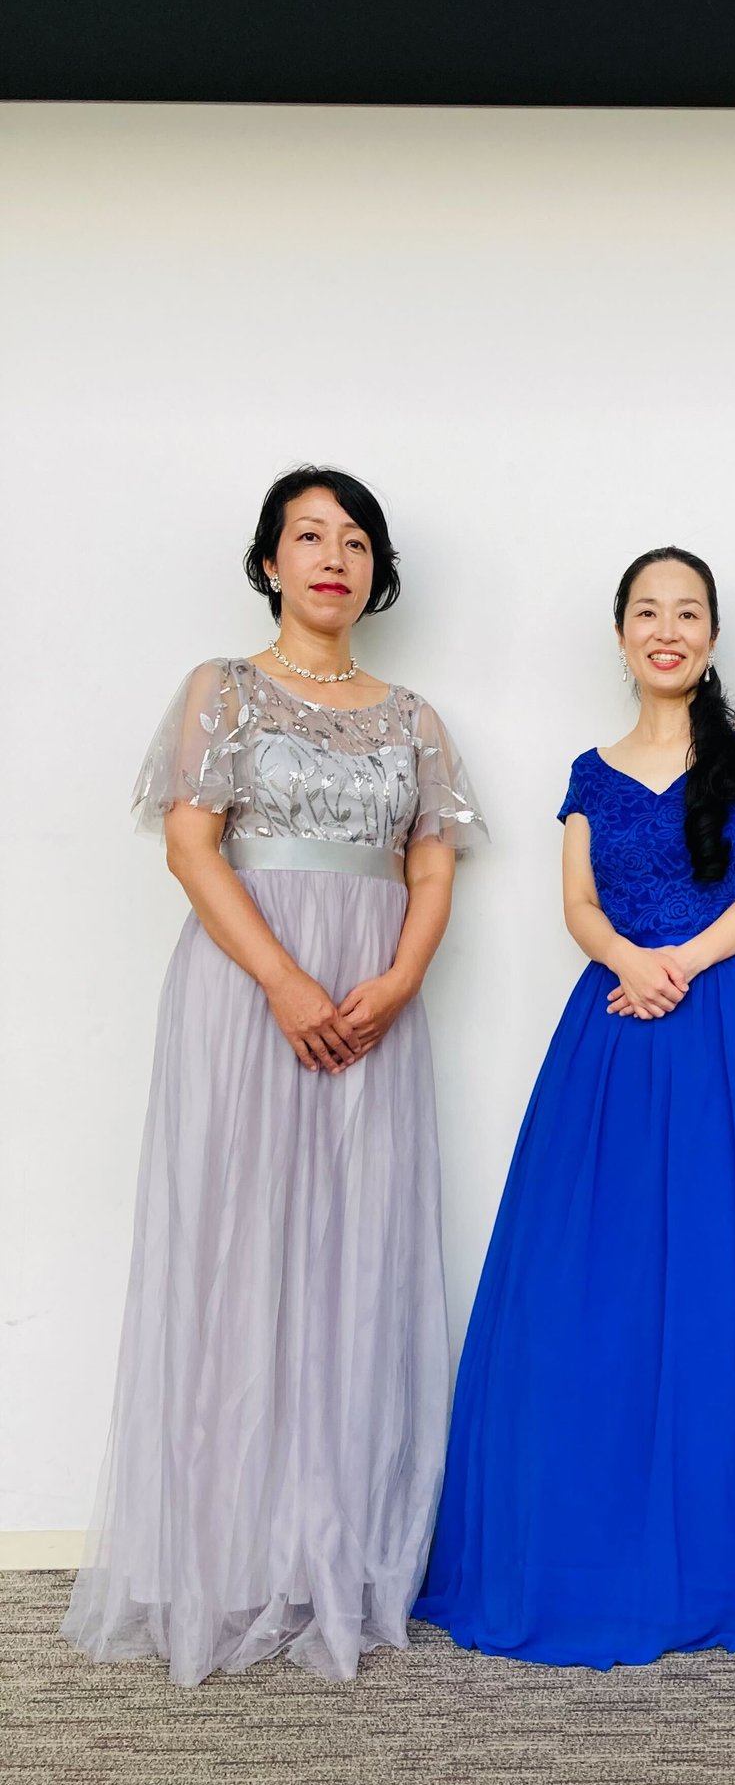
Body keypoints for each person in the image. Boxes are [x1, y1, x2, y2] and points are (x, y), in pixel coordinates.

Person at [62, 466, 484, 1687]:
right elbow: (192, 846)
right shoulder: (223, 688)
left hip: (371, 1001)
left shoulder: (416, 717)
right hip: (249, 993)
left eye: (354, 540)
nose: (333, 557)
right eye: (309, 536)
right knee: (237, 1246)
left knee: (354, 1251)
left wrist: (399, 977)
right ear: (270, 562)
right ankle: (222, 1550)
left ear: (376, 570)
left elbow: (434, 866)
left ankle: (330, 1542)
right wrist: (285, 980)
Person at [415, 547, 735, 1667]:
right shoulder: (591, 770)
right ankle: (592, 1541)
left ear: (711, 635)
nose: (668, 629)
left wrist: (681, 963)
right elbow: (577, 900)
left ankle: (730, 1551)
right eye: (648, 612)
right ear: (621, 635)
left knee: (730, 1268)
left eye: (688, 612)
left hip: (727, 1021)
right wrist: (629, 957)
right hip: (616, 1024)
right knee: (595, 1275)